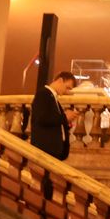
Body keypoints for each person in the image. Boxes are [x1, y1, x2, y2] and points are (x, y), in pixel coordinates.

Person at [28, 70, 78, 199]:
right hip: (46, 150)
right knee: (45, 188)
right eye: (67, 87)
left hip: (53, 151)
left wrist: (67, 122)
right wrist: (64, 117)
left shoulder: (53, 98)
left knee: (49, 186)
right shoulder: (44, 94)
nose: (66, 92)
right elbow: (42, 118)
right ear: (60, 80)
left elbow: (54, 121)